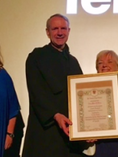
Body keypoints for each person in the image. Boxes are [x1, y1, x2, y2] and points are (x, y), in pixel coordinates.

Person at [22, 14, 85, 157]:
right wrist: (55, 115)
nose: (60, 32)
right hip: (45, 133)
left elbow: (81, 96)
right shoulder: (36, 57)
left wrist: (87, 126)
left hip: (70, 134)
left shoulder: (73, 61)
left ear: (69, 31)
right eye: (55, 28)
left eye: (63, 28)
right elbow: (36, 92)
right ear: (47, 32)